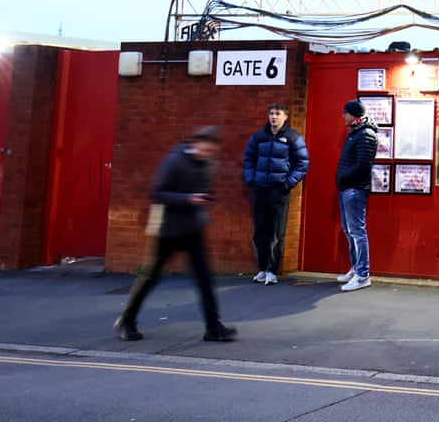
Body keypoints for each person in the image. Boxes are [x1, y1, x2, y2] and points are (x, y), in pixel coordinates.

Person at [114, 126, 238, 343]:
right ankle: (127, 321)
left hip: (193, 229)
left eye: (211, 152)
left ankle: (213, 327)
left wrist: (203, 198)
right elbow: (157, 192)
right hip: (169, 230)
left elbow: (201, 191)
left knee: (205, 280)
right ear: (195, 143)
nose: (207, 155)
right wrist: (188, 198)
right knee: (151, 278)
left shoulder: (208, 164)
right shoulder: (174, 161)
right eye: (205, 150)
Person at [242, 102, 310, 285]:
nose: (274, 117)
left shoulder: (293, 138)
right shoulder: (258, 137)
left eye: (278, 114)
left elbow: (303, 163)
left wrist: (288, 183)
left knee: (276, 231)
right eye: (271, 113)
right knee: (260, 230)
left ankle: (272, 270)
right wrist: (251, 180)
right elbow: (248, 159)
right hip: (260, 188)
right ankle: (262, 269)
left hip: (279, 190)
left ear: (285, 117)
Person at [335, 99, 378, 292]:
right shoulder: (355, 133)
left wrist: (344, 176)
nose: (343, 116)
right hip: (347, 189)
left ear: (354, 115)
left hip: (355, 189)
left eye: (346, 113)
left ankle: (363, 275)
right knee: (349, 231)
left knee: (357, 232)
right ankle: (356, 267)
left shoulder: (365, 135)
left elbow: (363, 164)